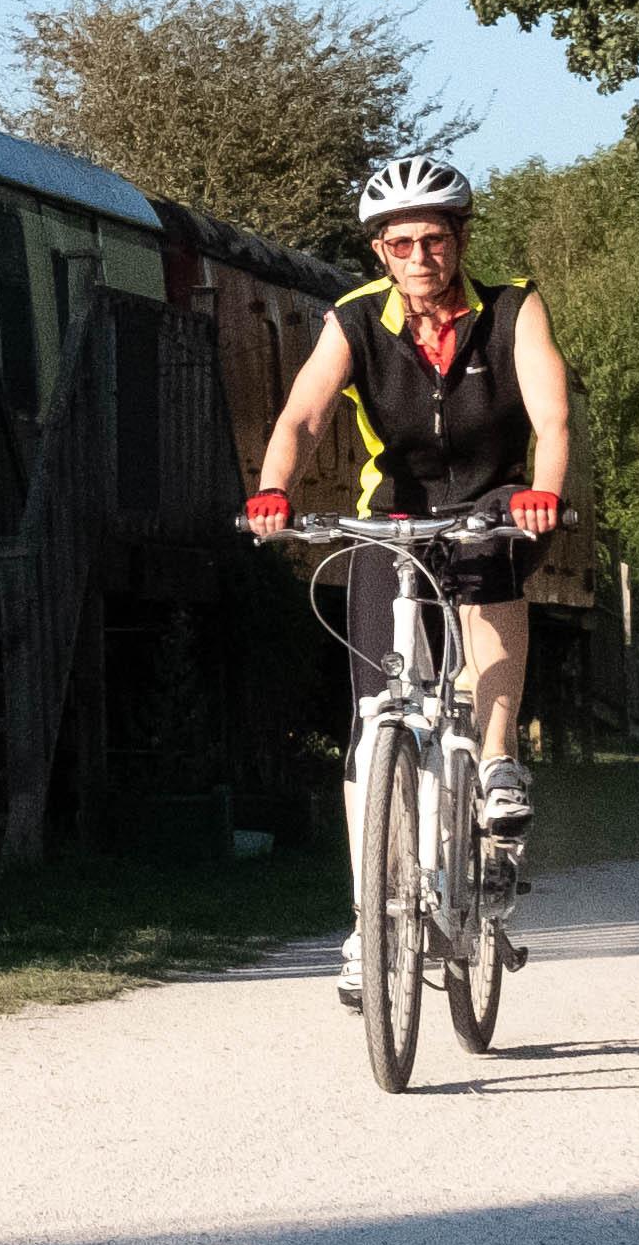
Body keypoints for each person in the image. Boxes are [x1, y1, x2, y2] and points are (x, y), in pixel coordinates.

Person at [245, 154, 574, 1008]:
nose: (419, 256)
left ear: (460, 241)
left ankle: (497, 761)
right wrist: (275, 487)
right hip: (392, 515)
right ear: (379, 252)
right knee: (370, 723)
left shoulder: (512, 310)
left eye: (434, 239)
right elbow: (305, 413)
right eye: (401, 243)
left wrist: (543, 492)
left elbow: (551, 414)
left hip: (496, 502)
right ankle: (369, 925)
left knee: (490, 568)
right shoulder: (354, 321)